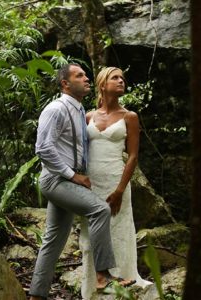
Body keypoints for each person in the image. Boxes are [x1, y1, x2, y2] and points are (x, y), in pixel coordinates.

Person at [29, 64, 135, 300]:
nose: (86, 78)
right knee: (99, 210)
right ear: (65, 84)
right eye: (79, 76)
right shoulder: (56, 109)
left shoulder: (80, 111)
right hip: (57, 180)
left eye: (86, 75)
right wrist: (73, 175)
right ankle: (103, 277)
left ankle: (36, 295)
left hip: (69, 181)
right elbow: (43, 148)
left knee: (53, 241)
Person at [79, 66, 152, 299]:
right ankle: (93, 287)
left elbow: (132, 156)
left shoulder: (129, 117)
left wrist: (120, 189)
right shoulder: (88, 116)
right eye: (115, 77)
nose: (121, 81)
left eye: (123, 78)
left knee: (117, 231)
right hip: (91, 183)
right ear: (103, 84)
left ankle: (121, 286)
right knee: (92, 235)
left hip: (115, 181)